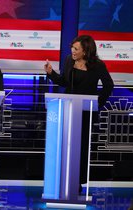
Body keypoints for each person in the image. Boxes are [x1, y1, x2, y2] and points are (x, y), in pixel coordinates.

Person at [44, 35, 114, 193]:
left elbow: (109, 86)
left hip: (86, 114)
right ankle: (63, 178)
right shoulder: (69, 60)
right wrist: (51, 73)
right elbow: (64, 82)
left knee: (81, 148)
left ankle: (77, 182)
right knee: (65, 146)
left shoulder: (98, 65)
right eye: (72, 48)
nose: (72, 51)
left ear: (86, 50)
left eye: (76, 49)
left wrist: (96, 104)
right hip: (68, 111)